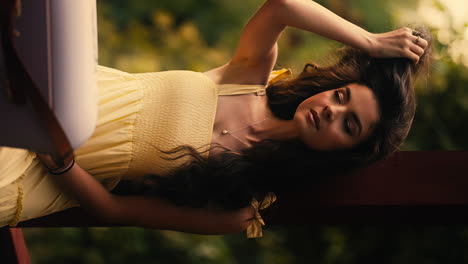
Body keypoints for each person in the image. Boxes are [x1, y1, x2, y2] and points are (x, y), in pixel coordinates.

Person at [0, 0, 430, 238]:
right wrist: (369, 41)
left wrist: (56, 156)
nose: (330, 111)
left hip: (45, 167)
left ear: (345, 153)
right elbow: (281, 7)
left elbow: (110, 208)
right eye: (340, 97)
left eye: (348, 125)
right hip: (47, 90)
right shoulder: (246, 78)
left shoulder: (237, 208)